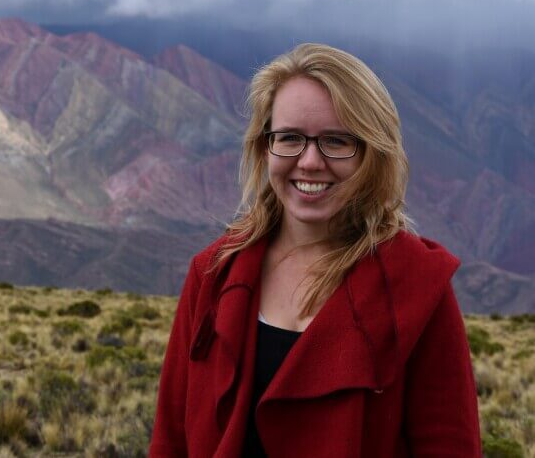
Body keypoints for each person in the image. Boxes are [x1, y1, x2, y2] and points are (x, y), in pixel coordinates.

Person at [149, 43, 481, 457]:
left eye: (336, 141)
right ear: (263, 146)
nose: (309, 162)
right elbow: (170, 441)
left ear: (373, 153)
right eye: (289, 138)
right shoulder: (213, 275)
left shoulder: (418, 289)